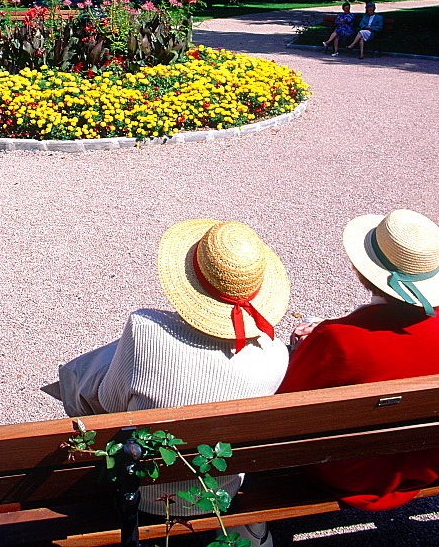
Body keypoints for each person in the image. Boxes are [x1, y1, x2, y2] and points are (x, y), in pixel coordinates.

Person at [59, 220, 291, 547]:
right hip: (220, 491)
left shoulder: (145, 329)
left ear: (193, 279)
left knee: (87, 376)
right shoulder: (276, 356)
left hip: (142, 493)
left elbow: (109, 409)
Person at [279, 209, 439, 511]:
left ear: (363, 269)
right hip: (423, 464)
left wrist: (303, 349)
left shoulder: (338, 338)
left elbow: (286, 404)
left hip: (347, 472)